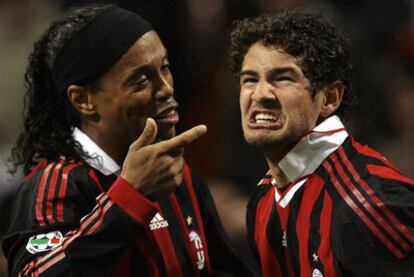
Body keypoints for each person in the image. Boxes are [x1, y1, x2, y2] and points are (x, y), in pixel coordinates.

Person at [2, 4, 256, 276]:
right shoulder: (56, 185)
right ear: (84, 100)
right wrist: (129, 198)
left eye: (165, 68)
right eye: (141, 80)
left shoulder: (178, 176)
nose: (167, 88)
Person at [228, 10, 414, 277]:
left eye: (283, 78)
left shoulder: (371, 203)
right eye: (250, 79)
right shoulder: (264, 200)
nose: (260, 94)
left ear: (329, 98)